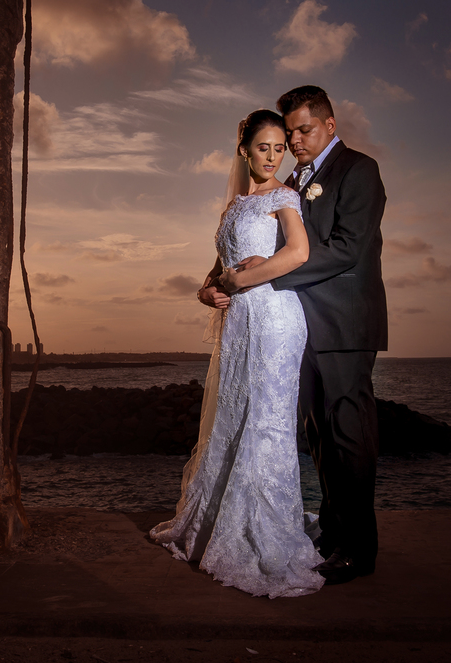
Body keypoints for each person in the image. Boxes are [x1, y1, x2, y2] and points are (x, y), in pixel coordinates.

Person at [213, 85, 388, 586]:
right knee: (319, 436)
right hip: (300, 325)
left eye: (303, 131)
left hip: (346, 324)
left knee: (349, 435)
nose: (293, 142)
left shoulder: (359, 170)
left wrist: (266, 271)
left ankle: (358, 549)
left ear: (330, 125)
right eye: (289, 133)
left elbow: (347, 248)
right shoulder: (292, 181)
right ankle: (332, 534)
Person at [150, 109, 324, 598]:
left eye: (279, 149)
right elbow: (216, 273)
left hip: (275, 320)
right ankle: (218, 521)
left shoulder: (284, 197)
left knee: (265, 420)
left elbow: (298, 253)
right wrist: (209, 292)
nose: (272, 157)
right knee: (232, 416)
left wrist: (240, 281)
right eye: (263, 147)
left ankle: (266, 534)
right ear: (244, 150)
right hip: (241, 323)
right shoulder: (234, 207)